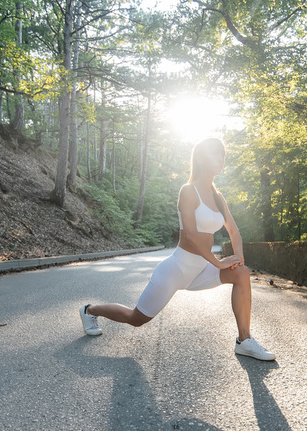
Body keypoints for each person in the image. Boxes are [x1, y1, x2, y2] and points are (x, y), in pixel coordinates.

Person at [79, 137, 275, 361]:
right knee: (136, 318)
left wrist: (239, 256)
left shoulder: (219, 198)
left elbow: (234, 230)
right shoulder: (188, 190)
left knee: (241, 272)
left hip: (201, 272)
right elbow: (190, 235)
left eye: (223, 154)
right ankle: (89, 310)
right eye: (215, 153)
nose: (221, 158)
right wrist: (219, 263)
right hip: (177, 269)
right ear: (200, 158)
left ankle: (244, 340)